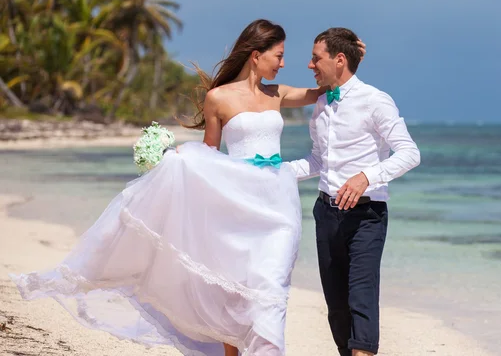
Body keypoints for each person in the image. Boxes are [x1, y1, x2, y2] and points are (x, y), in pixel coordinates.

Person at [9, 19, 363, 356]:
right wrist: (178, 161)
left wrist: (354, 56)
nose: (284, 63)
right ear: (257, 55)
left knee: (271, 290)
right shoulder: (218, 98)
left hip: (277, 206)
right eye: (279, 55)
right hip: (235, 203)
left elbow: (331, 86)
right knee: (233, 291)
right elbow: (209, 153)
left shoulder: (278, 94)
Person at [287, 27, 420, 356]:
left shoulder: (375, 101)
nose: (309, 65)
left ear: (339, 60)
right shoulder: (320, 106)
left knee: (361, 299)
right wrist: (275, 173)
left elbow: (409, 153)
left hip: (366, 216)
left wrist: (367, 176)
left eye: (316, 58)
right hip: (326, 213)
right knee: (337, 308)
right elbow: (319, 160)